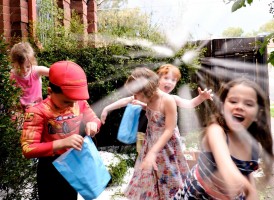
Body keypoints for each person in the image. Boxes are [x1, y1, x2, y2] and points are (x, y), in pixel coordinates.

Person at [174, 78, 274, 200]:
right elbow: (226, 166)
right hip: (197, 195)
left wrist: (251, 193)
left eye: (248, 104)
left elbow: (247, 174)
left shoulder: (254, 146)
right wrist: (249, 189)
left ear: (258, 115)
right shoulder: (216, 131)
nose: (239, 107)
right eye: (233, 101)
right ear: (222, 108)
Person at [21, 61, 102, 200]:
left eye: (74, 101)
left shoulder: (78, 101)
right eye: (66, 101)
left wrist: (93, 125)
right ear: (50, 92)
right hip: (50, 169)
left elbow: (94, 119)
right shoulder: (37, 112)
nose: (71, 105)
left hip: (73, 164)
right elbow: (28, 148)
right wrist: (62, 143)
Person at [101, 64, 213, 153]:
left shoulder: (171, 99)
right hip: (147, 135)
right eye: (166, 78)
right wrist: (107, 108)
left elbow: (189, 104)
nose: (170, 82)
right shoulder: (145, 94)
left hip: (167, 141)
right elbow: (127, 100)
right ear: (158, 79)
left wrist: (201, 97)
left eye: (173, 80)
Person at [123, 67, 190, 199]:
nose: (135, 97)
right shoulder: (148, 99)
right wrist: (106, 109)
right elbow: (127, 101)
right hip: (151, 141)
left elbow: (169, 129)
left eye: (137, 94)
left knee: (169, 178)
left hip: (166, 147)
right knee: (149, 176)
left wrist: (153, 152)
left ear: (147, 90)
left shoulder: (168, 100)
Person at [9, 42, 49, 110]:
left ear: (32, 61)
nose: (24, 70)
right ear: (13, 64)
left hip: (37, 109)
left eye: (28, 66)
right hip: (20, 112)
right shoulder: (12, 76)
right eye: (20, 67)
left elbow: (55, 72)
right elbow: (11, 98)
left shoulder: (36, 71)